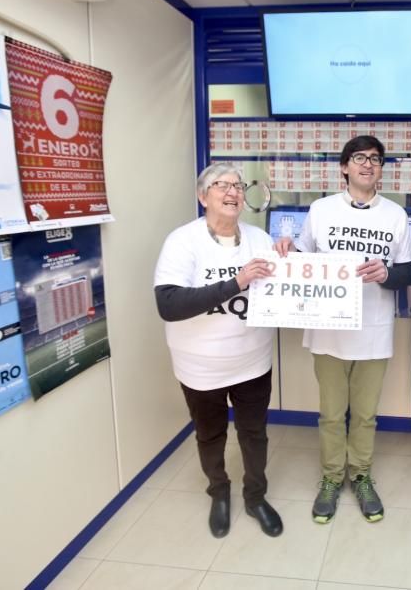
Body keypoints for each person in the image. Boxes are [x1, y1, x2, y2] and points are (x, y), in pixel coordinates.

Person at [275, 135, 411, 524]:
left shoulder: (396, 215)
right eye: (359, 158)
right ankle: (333, 478)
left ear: (381, 168)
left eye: (375, 159)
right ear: (344, 167)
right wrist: (287, 252)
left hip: (374, 330)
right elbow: (304, 261)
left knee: (366, 415)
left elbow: (407, 271)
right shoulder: (320, 210)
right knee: (332, 414)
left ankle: (362, 475)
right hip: (328, 332)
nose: (368, 164)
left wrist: (387, 273)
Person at [154, 163, 283, 539]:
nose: (232, 192)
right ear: (202, 196)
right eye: (221, 185)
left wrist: (289, 254)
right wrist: (237, 281)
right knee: (210, 435)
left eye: (238, 186)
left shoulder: (259, 239)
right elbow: (170, 304)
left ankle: (255, 496)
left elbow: (284, 285)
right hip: (200, 368)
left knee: (254, 434)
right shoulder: (182, 241)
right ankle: (219, 493)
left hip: (253, 361)